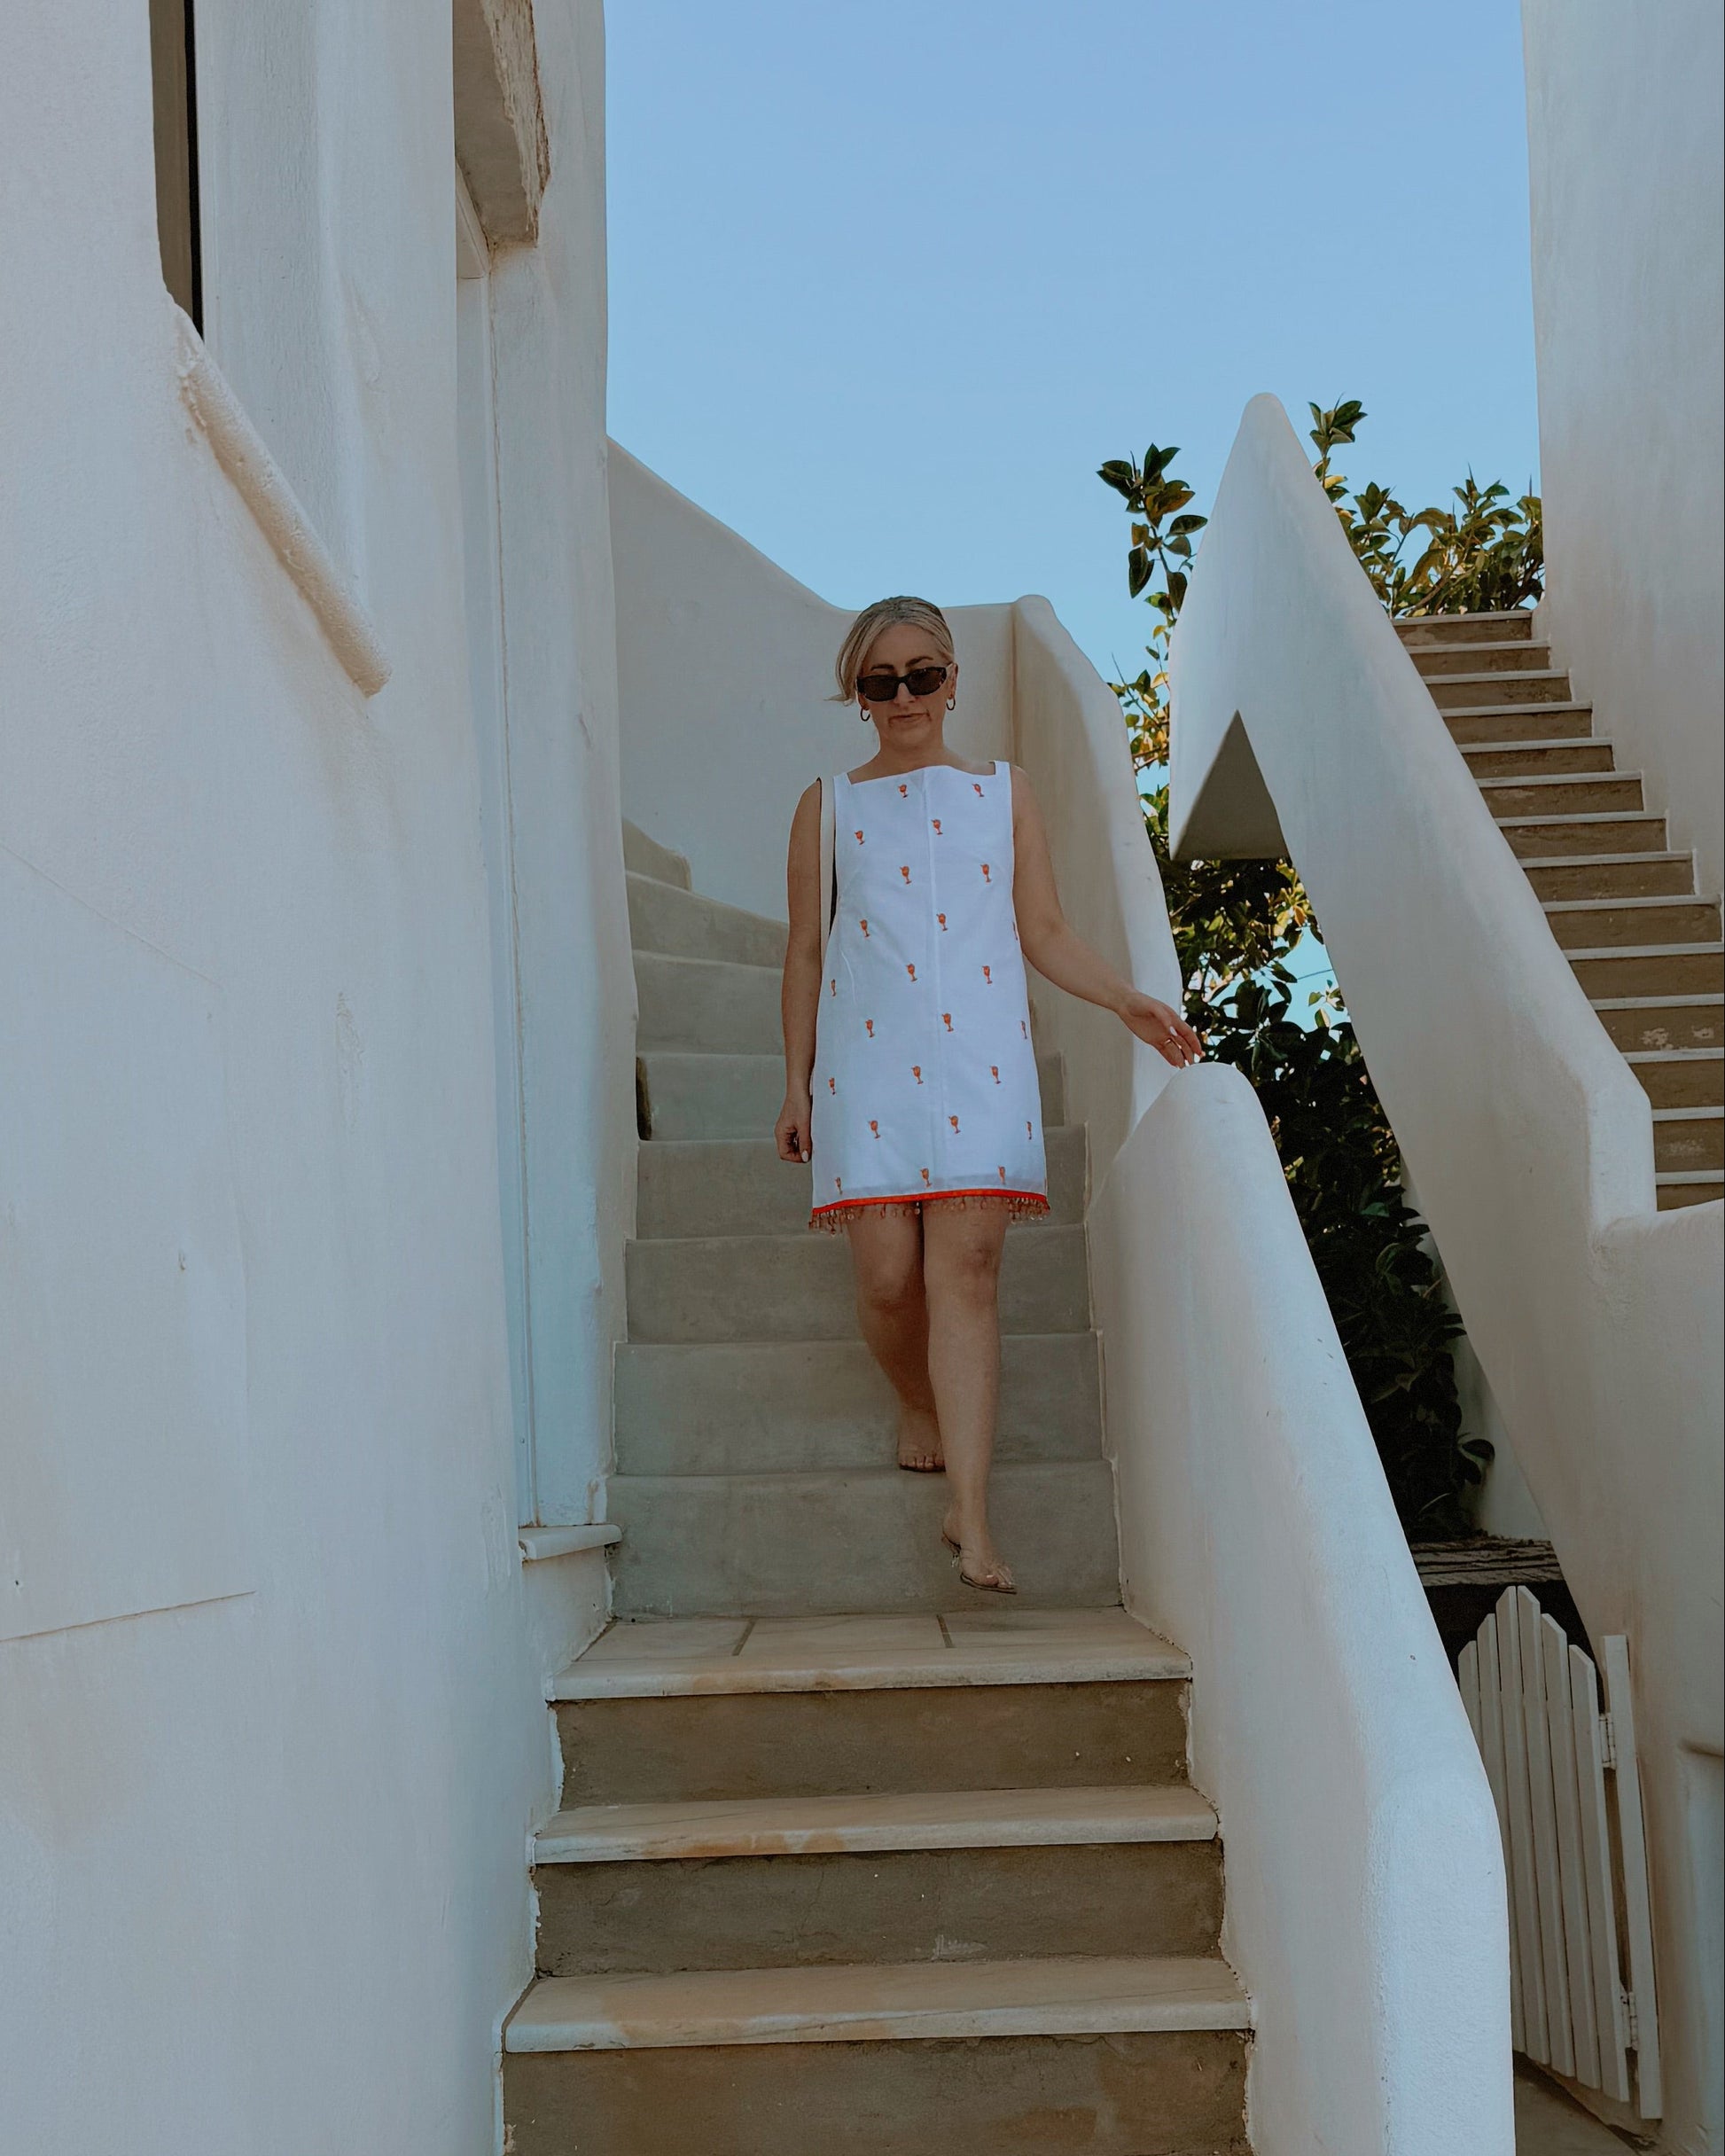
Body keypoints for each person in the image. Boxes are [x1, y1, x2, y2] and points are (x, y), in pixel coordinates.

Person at [775, 596, 1202, 1593]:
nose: (906, 695)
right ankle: (915, 1401)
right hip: (864, 1067)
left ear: (954, 678)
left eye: (924, 673)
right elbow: (803, 950)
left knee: (963, 1274)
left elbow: (1042, 930)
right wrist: (792, 1082)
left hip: (981, 1061)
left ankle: (969, 1511)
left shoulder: (1002, 793)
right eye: (882, 681)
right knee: (886, 1279)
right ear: (859, 695)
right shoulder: (826, 803)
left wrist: (1124, 999)